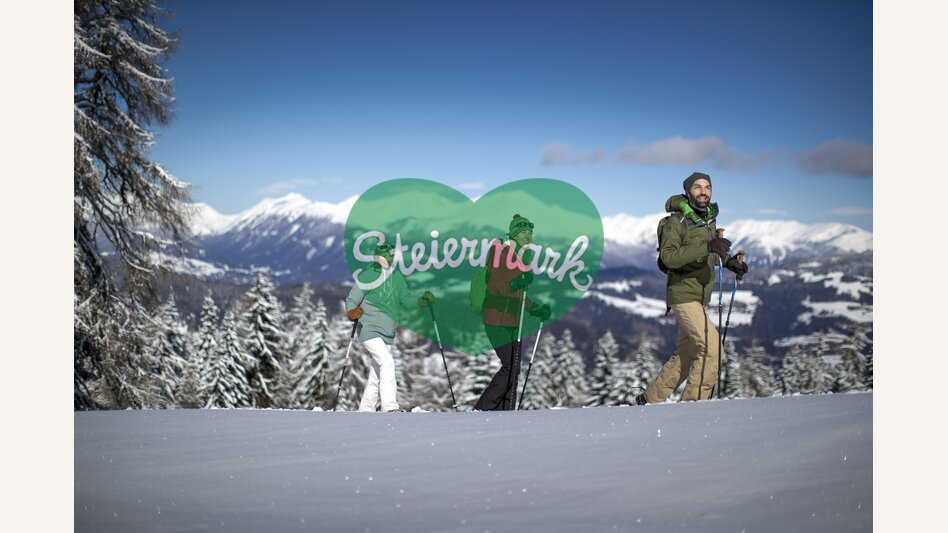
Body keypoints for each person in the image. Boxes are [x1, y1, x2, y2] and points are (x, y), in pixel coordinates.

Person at [637, 172, 748, 404]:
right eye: (697, 187)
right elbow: (668, 257)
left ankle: (650, 400)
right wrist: (708, 245)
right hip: (683, 293)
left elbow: (712, 253)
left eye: (707, 187)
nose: (703, 191)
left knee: (686, 355)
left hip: (700, 296)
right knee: (712, 350)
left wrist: (730, 263)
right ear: (688, 192)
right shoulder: (676, 222)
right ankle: (691, 409)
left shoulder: (707, 220)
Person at [345, 241, 436, 412]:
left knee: (377, 373)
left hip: (387, 332)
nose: (389, 257)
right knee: (387, 362)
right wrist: (352, 312)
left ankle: (365, 409)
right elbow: (351, 300)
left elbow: (406, 300)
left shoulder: (397, 277)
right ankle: (390, 407)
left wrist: (421, 300)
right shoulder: (367, 276)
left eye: (392, 255)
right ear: (377, 256)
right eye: (385, 254)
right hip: (368, 328)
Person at [474, 214, 552, 411]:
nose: (528, 236)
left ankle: (506, 411)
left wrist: (537, 310)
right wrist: (517, 281)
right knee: (510, 366)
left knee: (514, 369)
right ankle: (483, 407)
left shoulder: (523, 256)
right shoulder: (499, 251)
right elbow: (495, 283)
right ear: (514, 233)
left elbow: (521, 295)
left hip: (513, 322)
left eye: (530, 232)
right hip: (495, 318)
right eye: (524, 232)